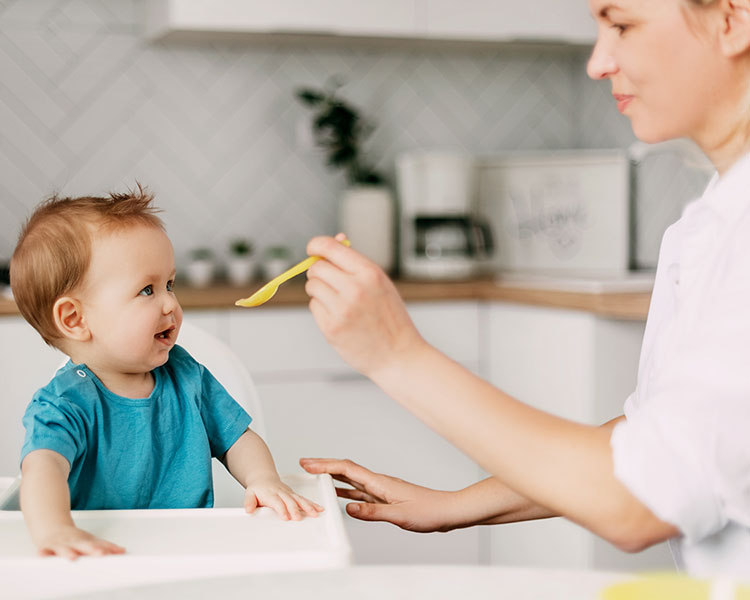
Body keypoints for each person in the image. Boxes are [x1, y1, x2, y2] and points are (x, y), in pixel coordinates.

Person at [299, 0, 750, 577]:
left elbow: (641, 497)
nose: (598, 61)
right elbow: (659, 444)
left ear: (732, 21)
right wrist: (453, 505)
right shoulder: (705, 225)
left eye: (622, 24)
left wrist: (396, 356)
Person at [10, 188, 322, 560]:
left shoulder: (187, 376)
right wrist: (56, 529)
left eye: (170, 285)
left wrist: (264, 481)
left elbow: (238, 438)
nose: (171, 303)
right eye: (147, 290)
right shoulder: (63, 406)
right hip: (100, 555)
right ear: (76, 319)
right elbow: (42, 469)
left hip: (185, 550)